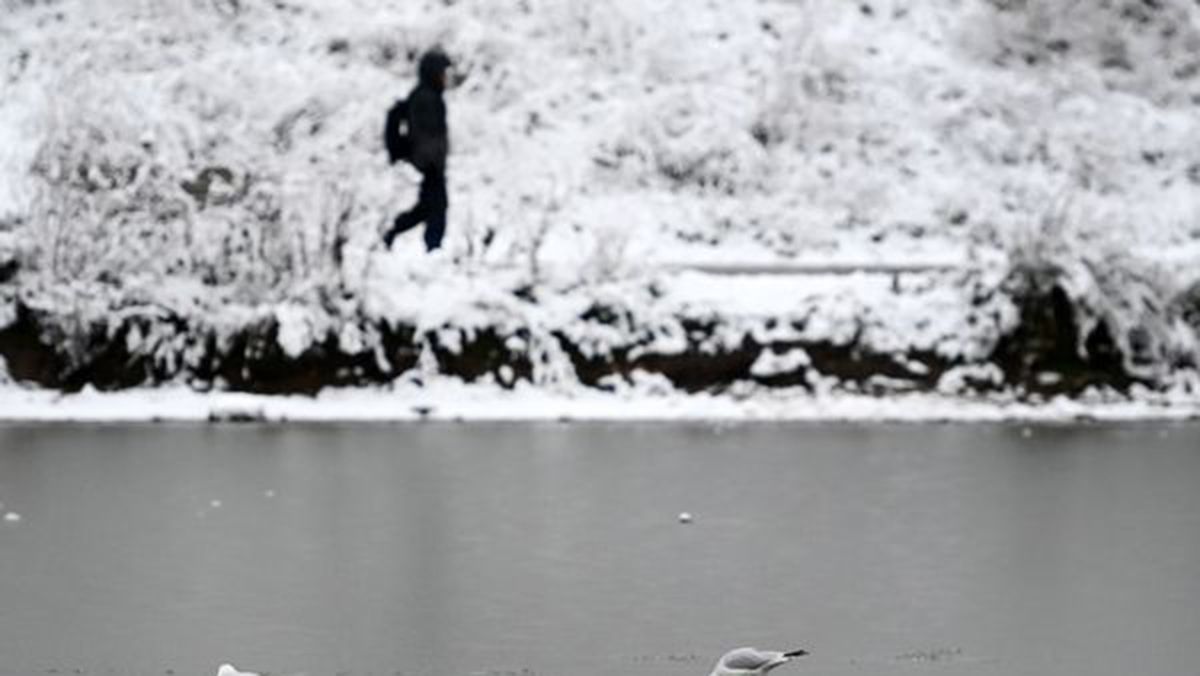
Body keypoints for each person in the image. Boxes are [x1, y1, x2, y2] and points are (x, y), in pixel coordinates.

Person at [384, 50, 453, 252]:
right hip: (429, 163)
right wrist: (430, 161)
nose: (445, 77)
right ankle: (433, 249)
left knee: (428, 207)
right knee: (437, 207)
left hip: (429, 162)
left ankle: (393, 231)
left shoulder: (427, 95)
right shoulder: (426, 98)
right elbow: (426, 134)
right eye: (442, 72)